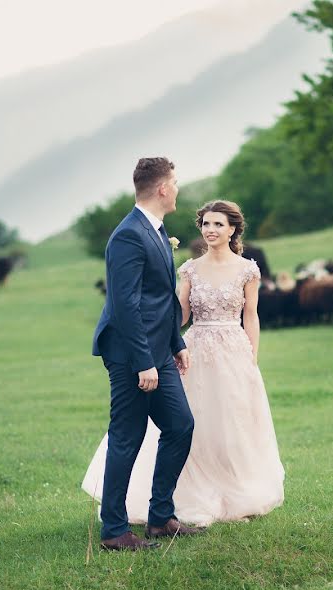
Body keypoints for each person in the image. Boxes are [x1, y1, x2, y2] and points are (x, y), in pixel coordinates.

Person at [83, 199, 284, 529]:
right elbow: (177, 316)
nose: (211, 230)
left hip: (234, 351)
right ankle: (183, 495)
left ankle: (235, 490)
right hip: (196, 349)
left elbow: (251, 316)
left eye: (218, 224)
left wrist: (252, 357)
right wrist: (156, 348)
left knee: (234, 422)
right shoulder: (190, 268)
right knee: (192, 422)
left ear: (233, 229)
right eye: (205, 224)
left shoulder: (248, 269)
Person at [89, 157, 204, 551]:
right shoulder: (128, 236)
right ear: (163, 189)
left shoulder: (155, 230)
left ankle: (160, 518)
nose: (177, 188)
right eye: (175, 182)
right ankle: (115, 531)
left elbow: (159, 299)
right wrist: (143, 362)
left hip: (158, 351)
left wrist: (176, 343)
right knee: (127, 437)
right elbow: (125, 306)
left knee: (180, 426)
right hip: (130, 355)